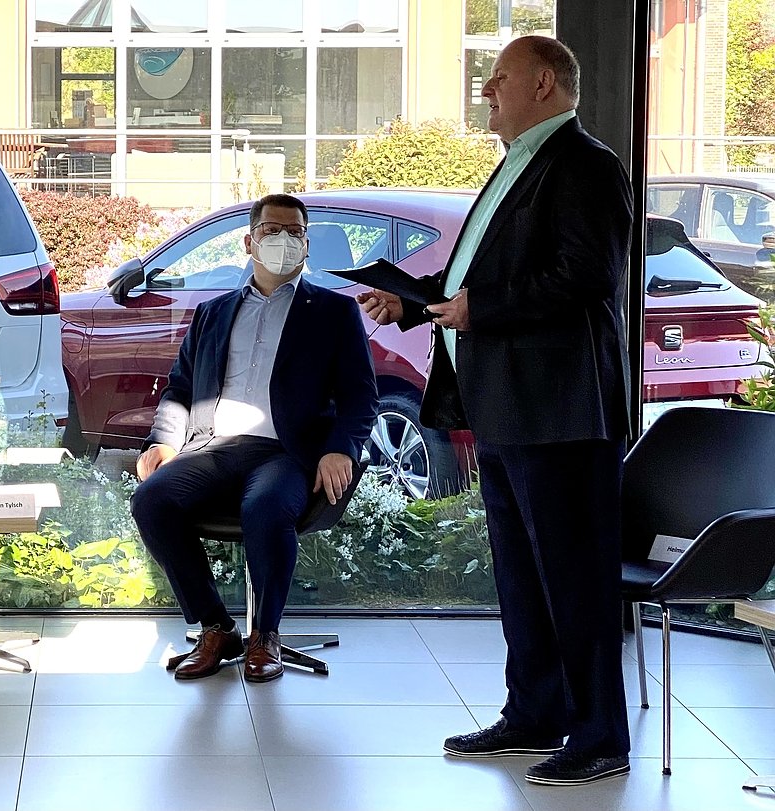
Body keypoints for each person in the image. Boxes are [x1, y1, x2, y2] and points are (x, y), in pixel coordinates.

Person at [357, 36, 633, 786]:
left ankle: (600, 735)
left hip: (562, 411)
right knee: (521, 577)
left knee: (573, 578)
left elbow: (586, 277)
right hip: (508, 406)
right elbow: (484, 274)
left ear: (543, 83)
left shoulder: (586, 165)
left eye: (499, 77)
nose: (485, 90)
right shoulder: (518, 161)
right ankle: (535, 713)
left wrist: (480, 308)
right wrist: (415, 302)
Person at [131, 193, 378, 683]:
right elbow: (181, 388)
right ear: (249, 241)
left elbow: (360, 397)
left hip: (286, 452)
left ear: (307, 245)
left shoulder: (333, 312)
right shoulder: (212, 312)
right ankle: (217, 628)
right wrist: (163, 441)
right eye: (271, 231)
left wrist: (340, 448)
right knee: (151, 500)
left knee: (265, 507)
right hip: (213, 448)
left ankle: (266, 635)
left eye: (294, 232)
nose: (283, 241)